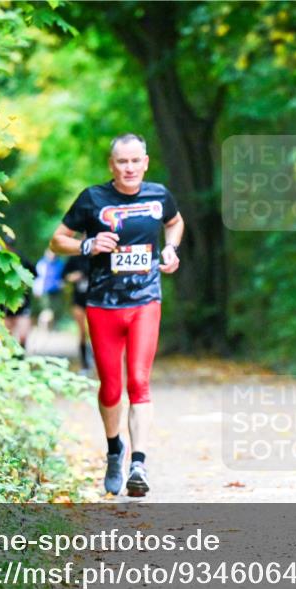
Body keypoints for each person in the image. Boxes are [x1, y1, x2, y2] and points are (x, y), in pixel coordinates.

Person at [49, 133, 184, 497]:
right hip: (103, 305)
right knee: (110, 387)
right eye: (122, 162)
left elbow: (175, 222)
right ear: (112, 165)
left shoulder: (158, 195)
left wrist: (171, 249)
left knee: (139, 381)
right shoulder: (92, 199)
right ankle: (114, 451)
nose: (129, 168)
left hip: (145, 300)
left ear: (145, 163)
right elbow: (57, 240)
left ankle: (138, 464)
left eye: (135, 161)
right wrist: (88, 245)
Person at [62, 252, 93, 372]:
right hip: (79, 300)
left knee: (96, 332)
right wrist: (73, 276)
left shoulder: (100, 254)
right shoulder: (74, 257)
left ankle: (97, 360)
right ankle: (84, 364)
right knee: (82, 332)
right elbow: (64, 275)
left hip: (95, 301)